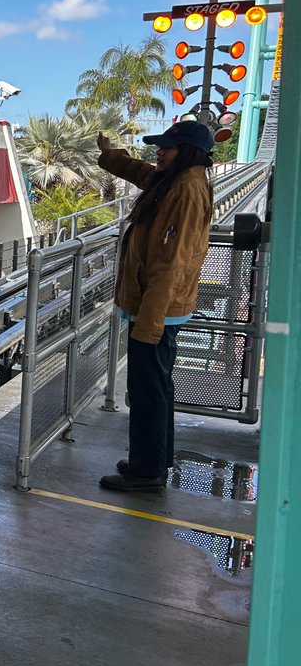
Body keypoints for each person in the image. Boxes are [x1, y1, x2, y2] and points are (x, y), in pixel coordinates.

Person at [95, 121, 215, 492]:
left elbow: (172, 263)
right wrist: (110, 154)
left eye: (167, 147)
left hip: (157, 309)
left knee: (148, 390)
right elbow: (139, 170)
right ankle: (154, 461)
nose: (159, 152)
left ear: (188, 152)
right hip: (156, 307)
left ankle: (146, 473)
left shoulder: (187, 190)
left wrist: (149, 323)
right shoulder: (174, 181)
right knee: (157, 387)